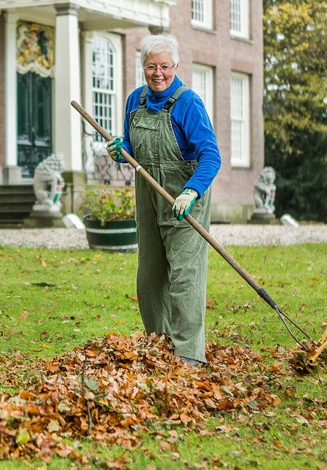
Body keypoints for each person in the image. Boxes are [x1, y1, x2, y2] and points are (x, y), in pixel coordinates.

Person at [106, 34, 221, 366]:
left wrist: (191, 191)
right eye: (152, 66)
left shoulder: (188, 103)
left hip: (185, 199)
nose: (159, 73)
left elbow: (211, 155)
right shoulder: (135, 101)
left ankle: (189, 358)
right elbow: (130, 145)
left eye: (165, 67)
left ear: (177, 66)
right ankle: (159, 346)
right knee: (150, 278)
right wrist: (119, 151)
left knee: (185, 278)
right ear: (142, 66)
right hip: (149, 197)